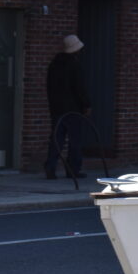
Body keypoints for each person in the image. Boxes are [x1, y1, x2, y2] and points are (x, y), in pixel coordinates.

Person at [43, 34, 90, 179]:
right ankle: (73, 169)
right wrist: (86, 104)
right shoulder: (75, 65)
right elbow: (80, 88)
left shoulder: (54, 65)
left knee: (57, 138)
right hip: (73, 109)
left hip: (57, 108)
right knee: (75, 140)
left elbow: (49, 87)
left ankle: (50, 167)